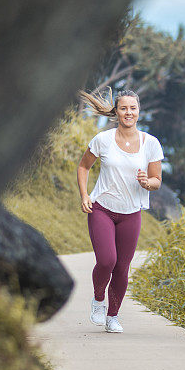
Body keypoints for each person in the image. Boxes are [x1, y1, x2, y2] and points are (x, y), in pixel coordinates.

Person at [76, 88, 164, 333]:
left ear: (138, 111)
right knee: (107, 260)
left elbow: (157, 180)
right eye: (123, 108)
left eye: (132, 108)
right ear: (116, 111)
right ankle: (98, 300)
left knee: (122, 268)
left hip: (131, 213)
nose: (128, 112)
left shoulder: (151, 144)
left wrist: (147, 183)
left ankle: (112, 317)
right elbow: (83, 167)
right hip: (102, 208)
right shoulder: (103, 139)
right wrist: (84, 195)